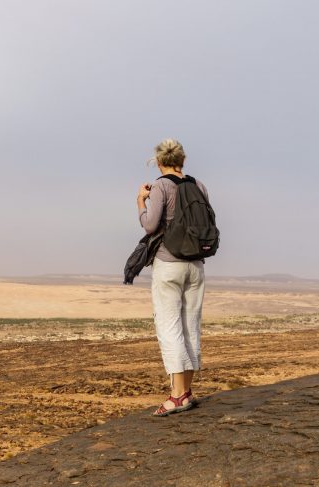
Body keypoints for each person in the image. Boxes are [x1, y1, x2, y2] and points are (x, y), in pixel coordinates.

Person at [137, 138, 209, 417]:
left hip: (169, 264)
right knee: (191, 324)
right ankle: (187, 391)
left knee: (170, 327)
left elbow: (151, 225)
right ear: (183, 161)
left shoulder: (162, 186)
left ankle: (176, 396)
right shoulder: (199, 186)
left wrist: (140, 203)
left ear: (158, 162)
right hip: (196, 265)